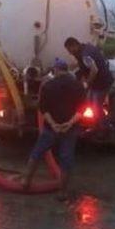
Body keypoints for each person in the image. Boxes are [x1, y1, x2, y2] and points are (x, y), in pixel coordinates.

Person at [22, 58, 86, 201]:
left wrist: (54, 124)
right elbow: (82, 109)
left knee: (37, 153)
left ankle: (25, 182)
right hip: (69, 130)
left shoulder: (48, 85)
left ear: (56, 70)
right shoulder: (78, 86)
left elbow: (43, 109)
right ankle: (62, 193)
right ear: (67, 69)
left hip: (51, 129)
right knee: (66, 160)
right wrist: (69, 123)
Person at [64, 37, 113, 110]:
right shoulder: (86, 47)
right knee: (91, 103)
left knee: (95, 108)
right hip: (101, 81)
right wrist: (67, 68)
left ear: (74, 45)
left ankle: (101, 121)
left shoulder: (85, 55)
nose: (70, 53)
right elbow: (83, 64)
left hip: (101, 83)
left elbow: (94, 70)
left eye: (69, 50)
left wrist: (87, 83)